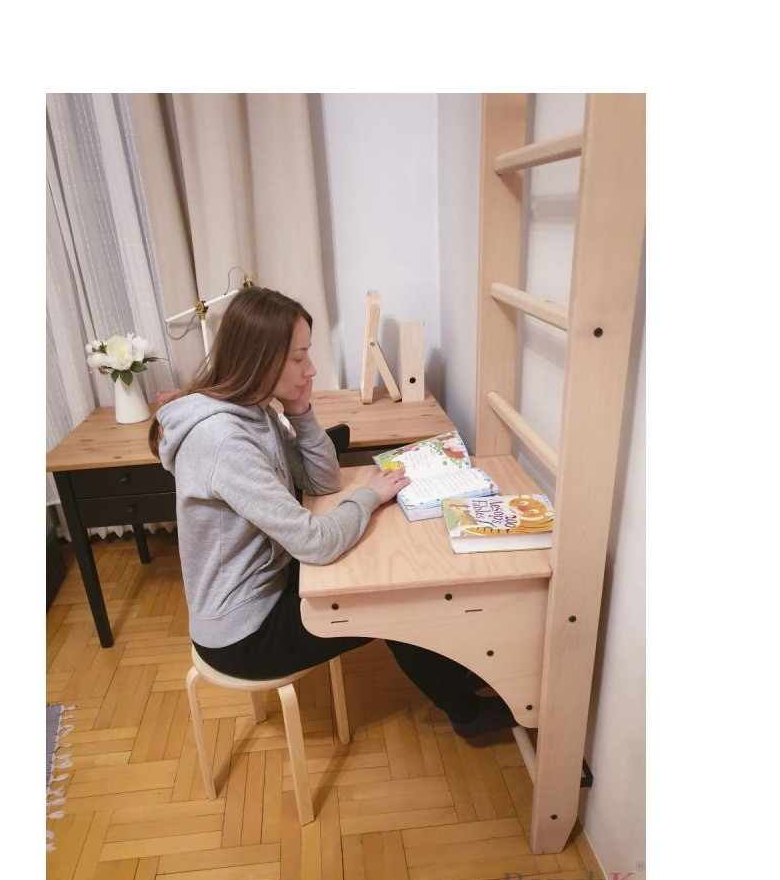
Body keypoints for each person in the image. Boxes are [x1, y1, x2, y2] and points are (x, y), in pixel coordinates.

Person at [148, 285, 515, 742]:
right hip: (243, 634)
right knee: (394, 605)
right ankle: (466, 713)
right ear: (259, 359)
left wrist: (300, 411)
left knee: (389, 585)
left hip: (268, 586)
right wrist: (370, 497)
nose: (312, 369)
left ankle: (456, 675)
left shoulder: (256, 411)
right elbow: (315, 543)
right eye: (299, 358)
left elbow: (323, 483)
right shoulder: (224, 439)